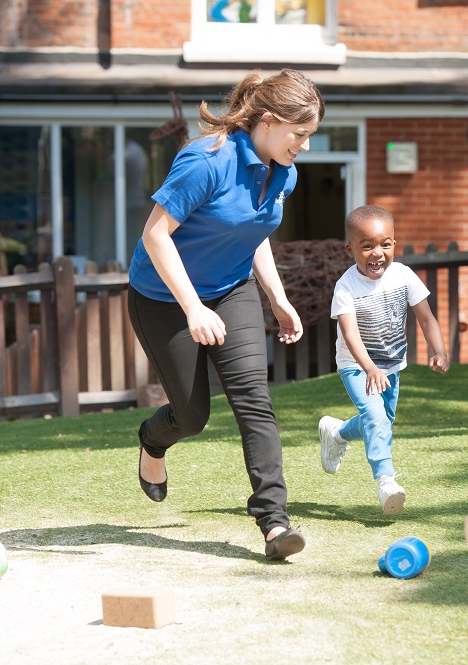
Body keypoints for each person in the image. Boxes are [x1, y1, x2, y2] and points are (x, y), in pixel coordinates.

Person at [127, 69, 323, 560]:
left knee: (254, 399)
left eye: (309, 136)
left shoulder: (284, 171)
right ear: (270, 122)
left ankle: (275, 525)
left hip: (232, 290)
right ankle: (153, 440)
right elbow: (156, 235)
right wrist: (192, 307)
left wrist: (277, 298)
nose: (303, 146)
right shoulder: (206, 160)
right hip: (164, 298)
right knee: (192, 416)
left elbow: (253, 234)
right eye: (299, 134)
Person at [317, 205, 450, 516]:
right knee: (376, 419)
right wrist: (369, 368)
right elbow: (349, 334)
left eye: (385, 244)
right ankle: (385, 481)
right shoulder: (346, 286)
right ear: (351, 250)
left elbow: (426, 318)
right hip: (356, 365)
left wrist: (439, 350)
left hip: (391, 365)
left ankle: (336, 433)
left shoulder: (403, 275)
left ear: (394, 244)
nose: (378, 253)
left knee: (381, 421)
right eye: (367, 246)